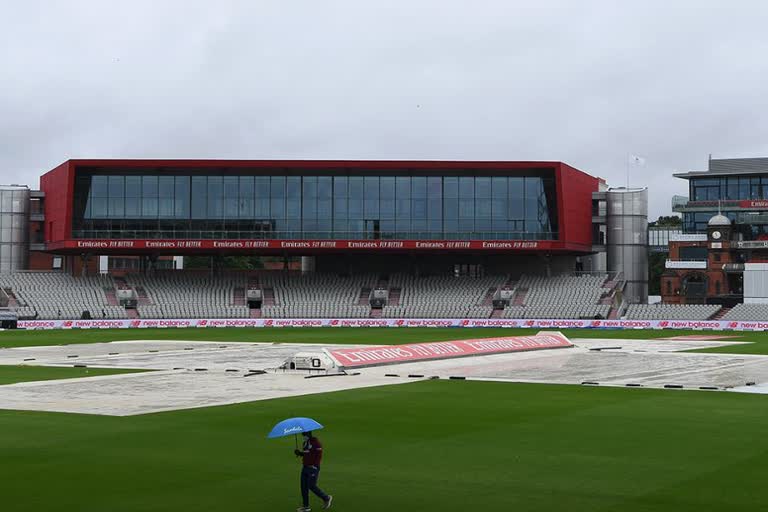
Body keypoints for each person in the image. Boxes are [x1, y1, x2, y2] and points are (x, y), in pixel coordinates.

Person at [294, 431, 333, 511]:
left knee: (311, 485)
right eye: (303, 434)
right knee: (303, 487)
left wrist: (315, 466)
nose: (303, 436)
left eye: (304, 435)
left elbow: (319, 455)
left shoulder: (316, 443)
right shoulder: (305, 443)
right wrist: (299, 453)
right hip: (305, 467)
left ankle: (326, 498)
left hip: (313, 468)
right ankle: (306, 506)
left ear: (309, 434)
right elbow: (306, 454)